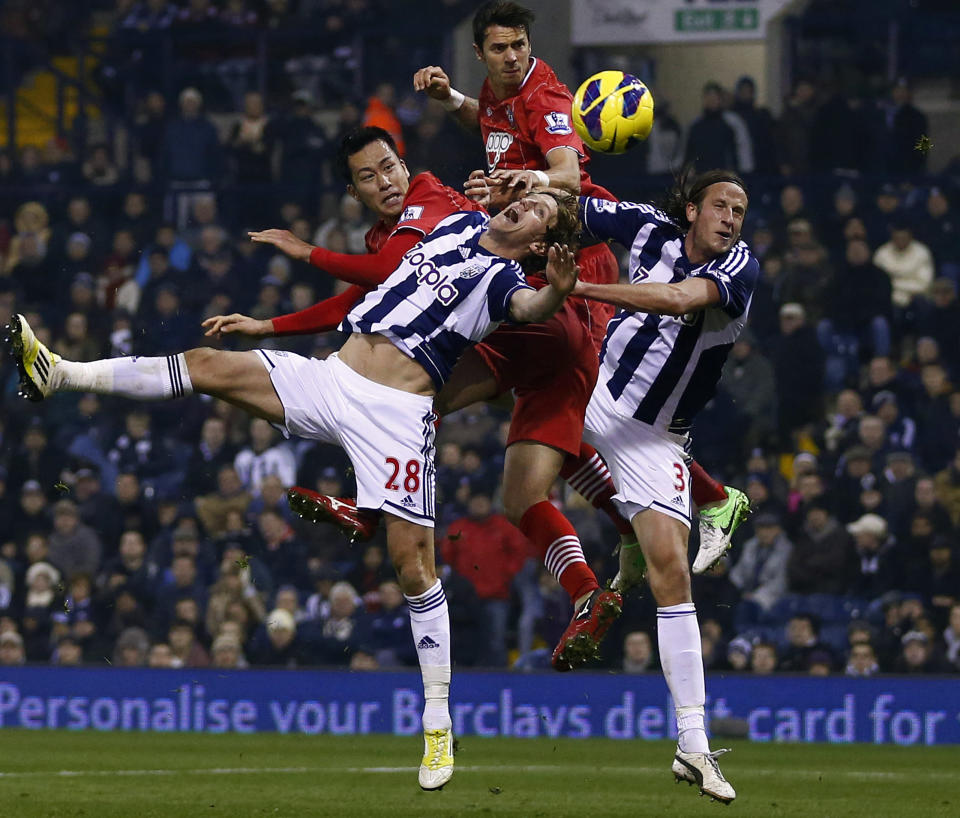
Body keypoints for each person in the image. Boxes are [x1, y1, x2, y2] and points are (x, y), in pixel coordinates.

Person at [9, 185, 580, 792]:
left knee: (414, 568)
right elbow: (370, 283)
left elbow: (531, 308)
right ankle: (60, 372)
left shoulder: (502, 280)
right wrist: (272, 322)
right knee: (207, 365)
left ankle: (437, 724)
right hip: (332, 378)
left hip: (396, 413)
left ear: (540, 242)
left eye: (540, 211)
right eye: (529, 199)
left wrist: (560, 290)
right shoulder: (456, 226)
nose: (526, 205)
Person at [243, 125, 623, 671]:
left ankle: (372, 506)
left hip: (533, 319)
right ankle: (592, 590)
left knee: (408, 387)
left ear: (406, 164)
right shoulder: (390, 237)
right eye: (369, 177)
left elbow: (382, 275)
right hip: (544, 339)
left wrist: (306, 252)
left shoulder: (428, 200)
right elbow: (359, 297)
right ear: (354, 194)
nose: (386, 182)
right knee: (522, 492)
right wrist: (270, 327)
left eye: (390, 167)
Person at [412, 0, 751, 585]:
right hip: (532, 258)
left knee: (575, 397)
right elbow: (491, 125)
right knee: (535, 396)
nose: (513, 57)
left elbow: (567, 171)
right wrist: (450, 101)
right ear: (480, 55)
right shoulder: (499, 92)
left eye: (520, 45)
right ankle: (629, 519)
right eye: (500, 48)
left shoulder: (543, 94)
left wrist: (533, 179)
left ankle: (707, 498)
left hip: (571, 258)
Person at [570, 168, 759, 803]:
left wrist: (586, 286)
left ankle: (694, 746)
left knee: (671, 574)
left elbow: (678, 300)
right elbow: (579, 207)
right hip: (594, 392)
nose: (731, 218)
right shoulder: (649, 226)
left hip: (653, 439)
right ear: (690, 209)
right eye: (721, 206)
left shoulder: (740, 268)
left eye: (739, 209)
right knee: (522, 382)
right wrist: (523, 188)